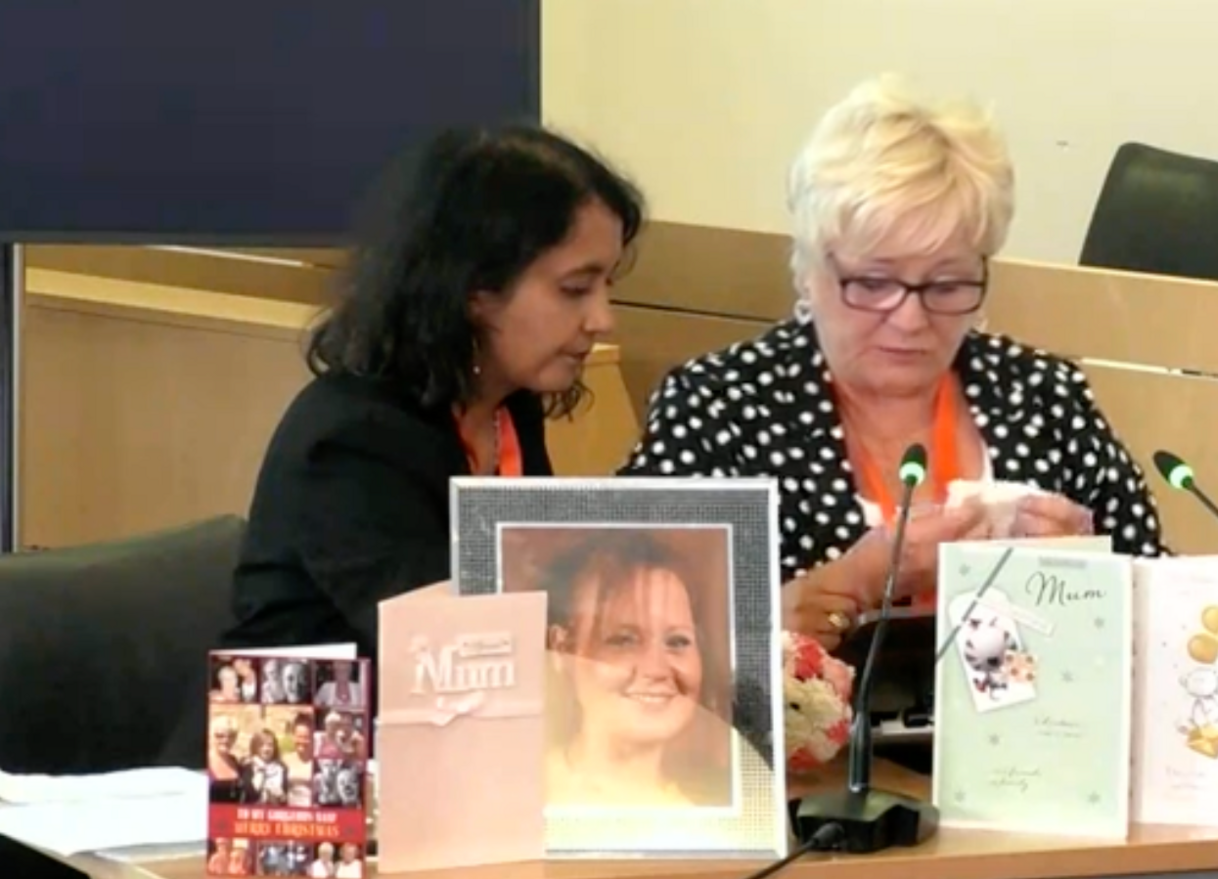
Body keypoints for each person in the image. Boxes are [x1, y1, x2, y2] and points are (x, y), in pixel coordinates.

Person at [619, 76, 1168, 651]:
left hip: (1027, 736)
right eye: (874, 282)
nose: (909, 319)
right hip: (816, 740)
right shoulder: (719, 404)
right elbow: (625, 629)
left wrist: (1090, 580)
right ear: (807, 269)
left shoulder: (1043, 395)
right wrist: (852, 584)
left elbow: (1158, 608)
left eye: (947, 285)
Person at [220, 124, 646, 661]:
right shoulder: (352, 439)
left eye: (607, 287)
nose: (602, 319)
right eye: (575, 290)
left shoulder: (510, 405)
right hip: (304, 735)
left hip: (454, 726)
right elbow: (446, 651)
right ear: (473, 291)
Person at [537, 535, 734, 809]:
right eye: (623, 640)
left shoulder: (720, 819)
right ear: (561, 649)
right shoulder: (517, 798)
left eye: (677, 641)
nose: (656, 669)